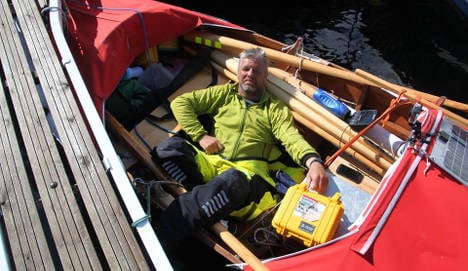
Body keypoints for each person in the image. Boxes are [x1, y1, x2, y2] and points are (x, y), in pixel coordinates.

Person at [153, 47, 329, 253]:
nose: (250, 75)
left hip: (247, 178)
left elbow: (290, 137)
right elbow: (181, 103)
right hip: (212, 161)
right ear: (238, 72)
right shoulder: (224, 94)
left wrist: (313, 161)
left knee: (231, 181)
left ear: (265, 77)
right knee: (167, 150)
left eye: (256, 71)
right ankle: (208, 203)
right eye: (246, 69)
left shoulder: (274, 108)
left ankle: (162, 234)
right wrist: (201, 136)